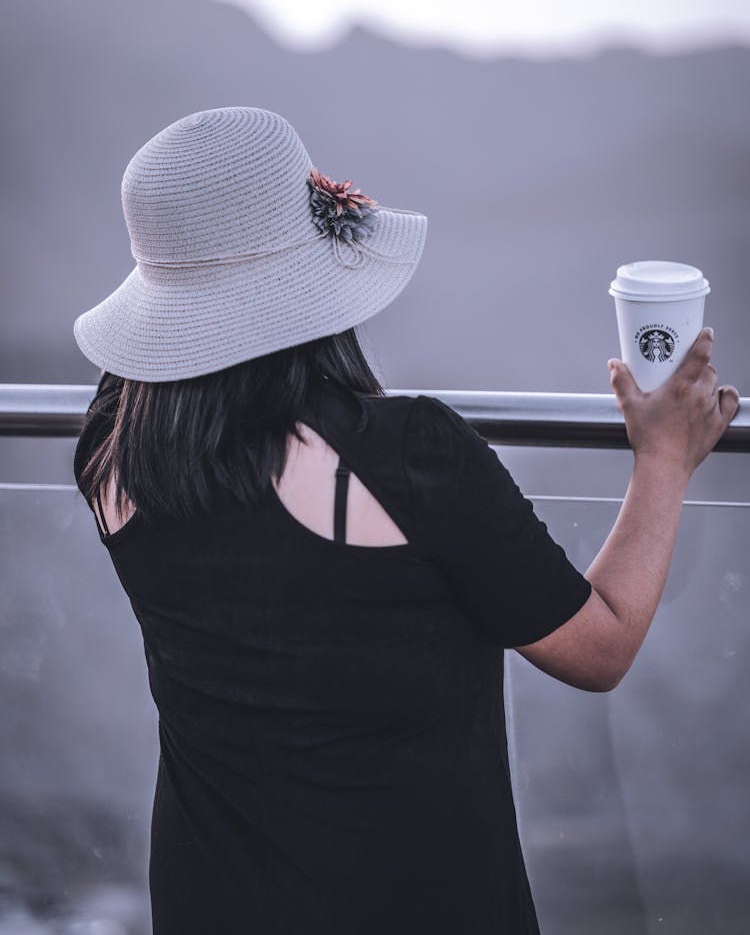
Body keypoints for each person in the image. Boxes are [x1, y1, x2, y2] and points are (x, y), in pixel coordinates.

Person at [72, 107, 738, 935]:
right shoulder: (409, 460)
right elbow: (599, 647)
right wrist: (665, 457)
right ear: (315, 279)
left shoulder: (109, 456)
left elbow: (135, 377)